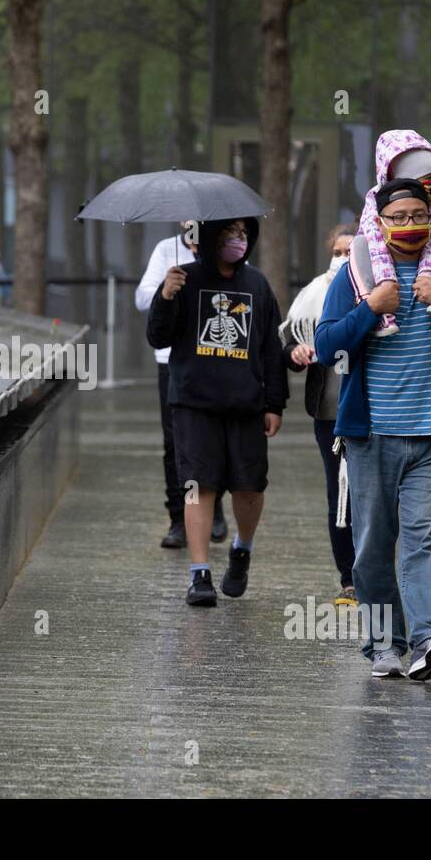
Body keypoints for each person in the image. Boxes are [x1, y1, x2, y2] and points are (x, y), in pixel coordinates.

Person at [315, 176, 431, 680]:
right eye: (398, 217)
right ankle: (383, 644)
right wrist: (370, 310)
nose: (410, 225)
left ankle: (427, 639)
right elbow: (327, 346)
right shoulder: (357, 274)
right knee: (373, 544)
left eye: (419, 214)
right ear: (379, 221)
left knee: (423, 538)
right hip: (370, 436)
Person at [147, 217, 287, 606]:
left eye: (243, 234)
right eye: (229, 233)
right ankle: (199, 574)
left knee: (250, 486)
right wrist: (165, 297)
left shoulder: (257, 284)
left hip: (245, 405)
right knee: (199, 484)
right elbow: (158, 337)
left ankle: (242, 548)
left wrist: (274, 403)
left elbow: (271, 349)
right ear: (210, 237)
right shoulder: (183, 279)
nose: (237, 240)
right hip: (194, 404)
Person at [136, 222, 230, 548]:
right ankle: (178, 518)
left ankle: (214, 508)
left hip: (215, 359)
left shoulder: (226, 250)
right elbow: (141, 297)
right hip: (172, 363)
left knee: (213, 441)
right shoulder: (166, 249)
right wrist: (168, 286)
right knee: (176, 444)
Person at [280, 223, 356, 606]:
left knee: (370, 495)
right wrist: (295, 352)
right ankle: (349, 578)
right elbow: (290, 336)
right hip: (328, 411)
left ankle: (376, 571)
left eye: (351, 251)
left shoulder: (378, 290)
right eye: (338, 251)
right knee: (337, 492)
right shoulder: (314, 292)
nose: (342, 259)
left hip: (375, 412)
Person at [350, 131, 431, 336]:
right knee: (358, 244)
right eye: (429, 178)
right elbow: (327, 347)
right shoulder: (362, 248)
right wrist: (372, 306)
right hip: (376, 297)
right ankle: (375, 307)